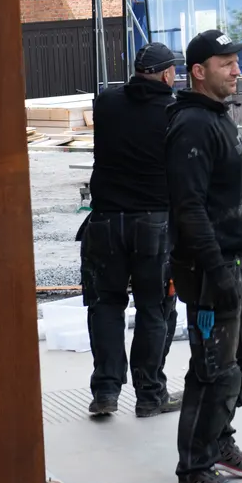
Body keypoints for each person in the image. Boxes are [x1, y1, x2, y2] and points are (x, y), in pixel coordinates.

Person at [166, 28, 242, 483]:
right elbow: (189, 208)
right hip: (210, 272)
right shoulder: (192, 125)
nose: (236, 70)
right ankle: (195, 470)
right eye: (225, 62)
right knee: (214, 371)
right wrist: (217, 270)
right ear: (198, 71)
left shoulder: (217, 116)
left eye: (236, 60)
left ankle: (219, 436)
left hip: (236, 259)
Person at [80, 41, 181, 418]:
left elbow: (124, 99)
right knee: (154, 308)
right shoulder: (173, 110)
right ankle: (150, 394)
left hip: (104, 221)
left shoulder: (106, 103)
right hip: (153, 223)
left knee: (105, 305)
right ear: (169, 73)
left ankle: (105, 392)